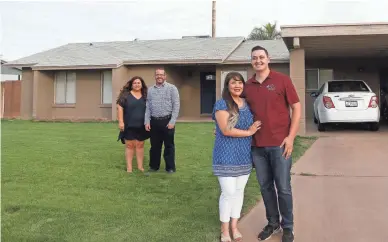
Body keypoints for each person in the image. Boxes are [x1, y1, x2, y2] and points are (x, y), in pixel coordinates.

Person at [243, 45, 301, 242]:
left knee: (283, 187)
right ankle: (273, 222)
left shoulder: (282, 80)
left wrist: (291, 137)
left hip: (280, 144)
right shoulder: (247, 86)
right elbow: (238, 110)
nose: (258, 60)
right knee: (265, 186)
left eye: (261, 57)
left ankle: (288, 227)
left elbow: (296, 107)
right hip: (257, 146)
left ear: (269, 59)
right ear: (251, 61)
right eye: (254, 58)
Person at [212, 72, 261, 242]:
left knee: (239, 192)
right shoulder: (222, 104)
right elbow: (226, 130)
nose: (237, 86)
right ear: (227, 86)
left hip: (243, 155)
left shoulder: (247, 104)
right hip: (225, 155)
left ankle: (234, 226)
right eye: (233, 83)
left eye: (240, 82)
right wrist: (249, 132)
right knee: (228, 192)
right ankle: (224, 230)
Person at [144, 67, 180, 173]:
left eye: (161, 74)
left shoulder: (172, 88)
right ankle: (154, 167)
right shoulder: (150, 90)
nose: (159, 76)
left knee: (169, 146)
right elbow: (148, 107)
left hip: (167, 121)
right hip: (154, 122)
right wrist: (147, 121)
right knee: (154, 146)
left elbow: (176, 105)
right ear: (155, 76)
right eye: (157, 74)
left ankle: (170, 167)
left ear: (165, 76)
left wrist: (172, 121)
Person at [117, 76, 150, 173]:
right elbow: (119, 108)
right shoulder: (125, 95)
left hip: (142, 125)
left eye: (138, 83)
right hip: (128, 125)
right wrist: (121, 122)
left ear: (142, 84)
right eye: (135, 83)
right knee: (129, 146)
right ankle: (129, 168)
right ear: (131, 85)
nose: (137, 84)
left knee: (140, 145)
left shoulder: (146, 95)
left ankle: (140, 167)